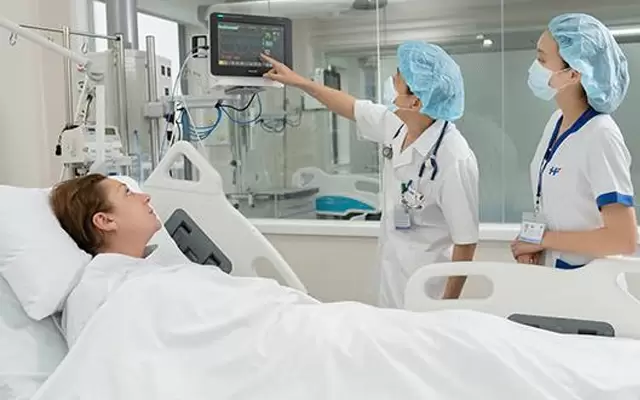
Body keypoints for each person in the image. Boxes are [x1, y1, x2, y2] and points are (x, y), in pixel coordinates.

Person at [260, 41, 479, 307]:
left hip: (429, 294)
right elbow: (350, 107)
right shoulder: (396, 124)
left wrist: (448, 305)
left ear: (416, 100)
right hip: (390, 281)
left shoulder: (454, 158)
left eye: (399, 77)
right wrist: (298, 82)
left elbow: (465, 243)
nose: (392, 80)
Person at [512, 13, 637, 267]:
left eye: (542, 59)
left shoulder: (601, 135)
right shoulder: (556, 122)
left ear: (573, 74)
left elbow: (622, 239)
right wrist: (531, 242)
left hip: (587, 288)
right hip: (552, 277)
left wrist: (544, 240)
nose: (534, 67)